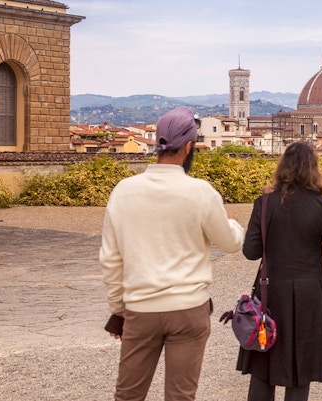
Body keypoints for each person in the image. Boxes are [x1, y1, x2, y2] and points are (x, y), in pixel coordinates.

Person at [99, 106, 245, 400]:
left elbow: (111, 258)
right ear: (189, 147)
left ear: (156, 144)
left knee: (128, 395)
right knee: (181, 396)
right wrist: (234, 224)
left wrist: (118, 308)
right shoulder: (201, 192)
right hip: (189, 309)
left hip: (141, 309)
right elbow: (230, 244)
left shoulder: (124, 190)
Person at [237, 141, 322, 401]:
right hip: (311, 292)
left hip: (271, 291)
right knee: (301, 367)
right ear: (313, 168)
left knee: (264, 365)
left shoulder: (264, 203)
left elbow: (251, 252)